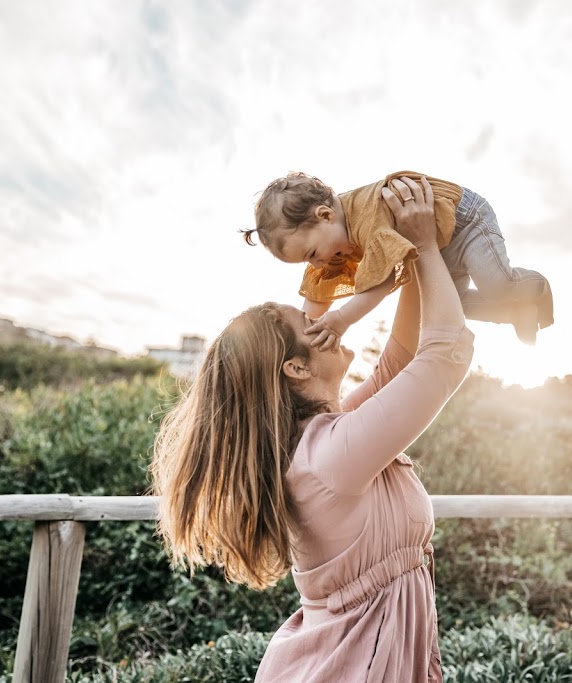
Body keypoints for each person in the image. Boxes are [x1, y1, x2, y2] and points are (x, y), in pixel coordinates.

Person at [151, 176, 473, 682]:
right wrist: (428, 245)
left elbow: (399, 363)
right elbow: (445, 355)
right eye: (312, 327)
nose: (327, 321)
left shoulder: (322, 437)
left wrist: (408, 252)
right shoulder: (329, 457)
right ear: (296, 369)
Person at [242, 170, 553, 347]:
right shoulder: (333, 239)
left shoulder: (368, 215)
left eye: (311, 254)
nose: (317, 265)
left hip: (465, 221)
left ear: (325, 215)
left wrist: (342, 320)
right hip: (438, 246)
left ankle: (535, 287)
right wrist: (305, 336)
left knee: (496, 286)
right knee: (450, 308)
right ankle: (517, 313)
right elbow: (317, 295)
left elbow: (384, 278)